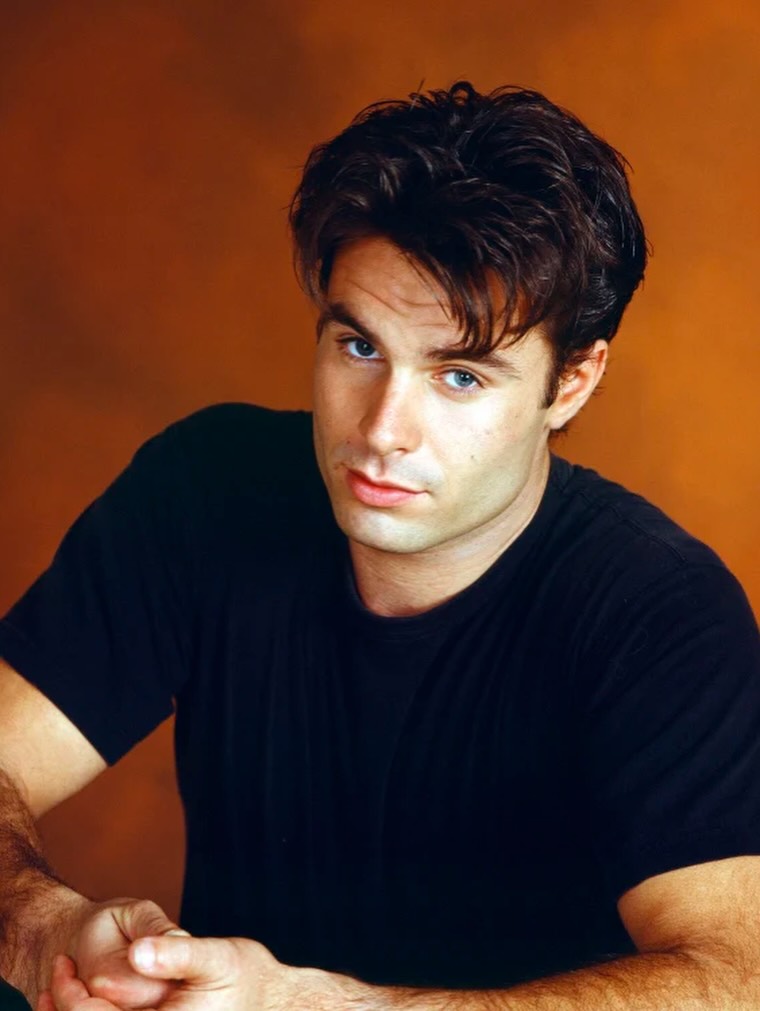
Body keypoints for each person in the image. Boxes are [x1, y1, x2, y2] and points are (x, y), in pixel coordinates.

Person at [1, 81, 759, 1011]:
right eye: (360, 348)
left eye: (460, 375)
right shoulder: (207, 490)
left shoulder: (659, 609)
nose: (382, 431)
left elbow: (737, 978)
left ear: (571, 382)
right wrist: (42, 930)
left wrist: (322, 1007)